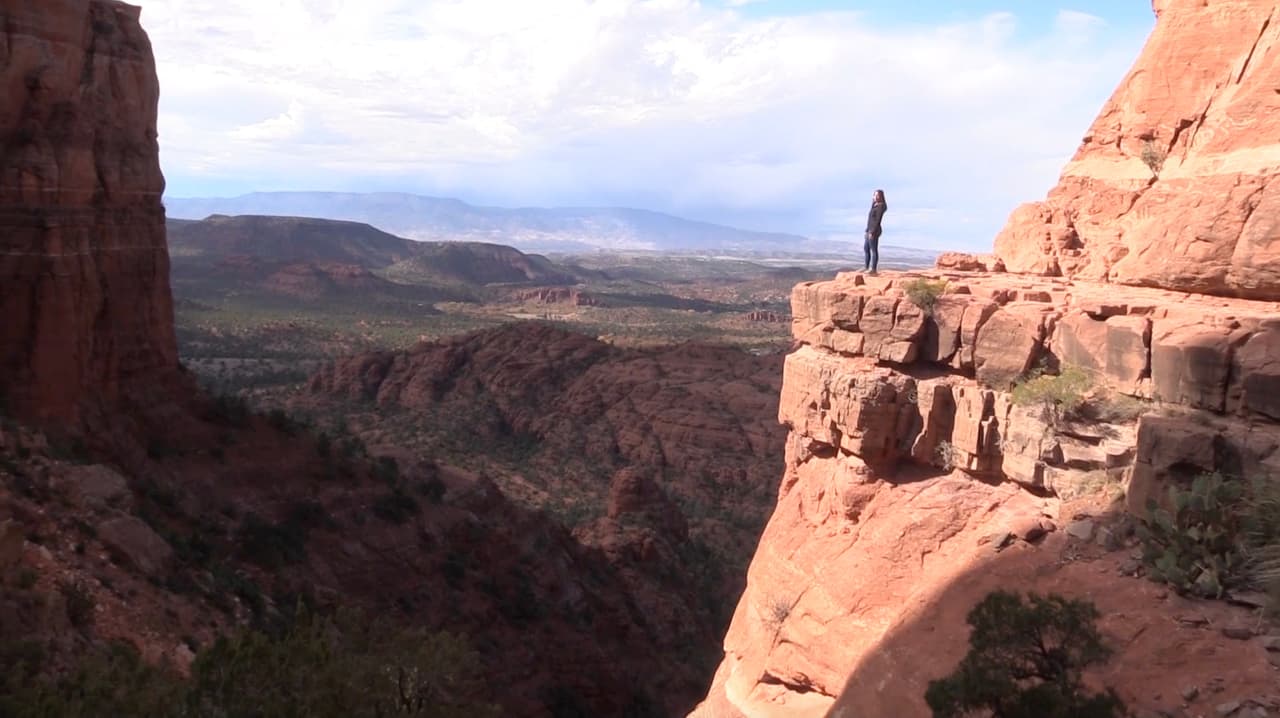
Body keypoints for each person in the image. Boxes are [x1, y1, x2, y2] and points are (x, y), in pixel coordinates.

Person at [864, 189, 887, 274]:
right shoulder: (874, 205)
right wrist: (867, 230)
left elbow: (877, 220)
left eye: (877, 195)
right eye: (874, 195)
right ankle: (866, 268)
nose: (875, 197)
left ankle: (873, 269)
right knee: (866, 248)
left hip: (874, 230)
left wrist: (872, 232)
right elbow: (870, 220)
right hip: (869, 230)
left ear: (881, 196)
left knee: (874, 250)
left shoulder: (881, 206)